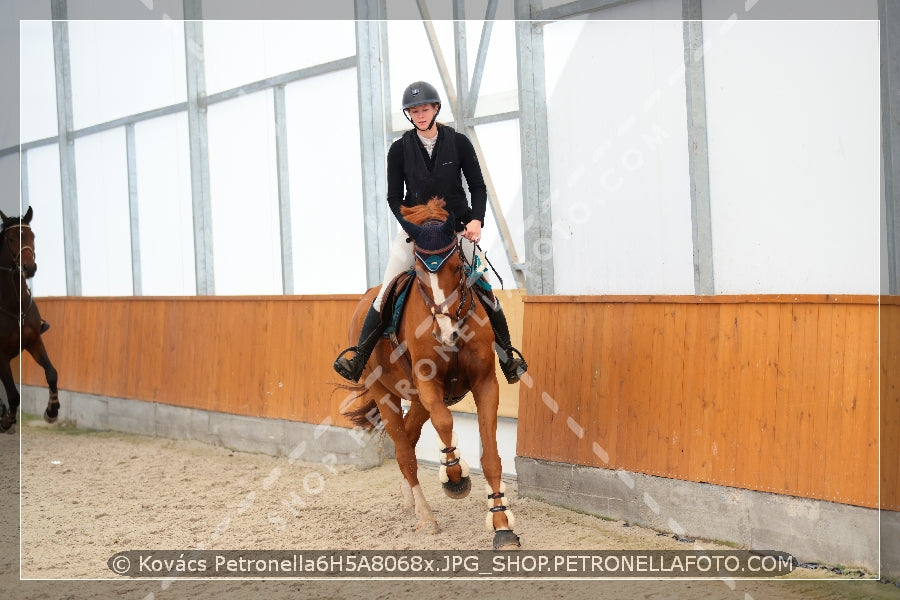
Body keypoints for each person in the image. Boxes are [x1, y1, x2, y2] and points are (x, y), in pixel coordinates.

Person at [334, 81, 527, 385]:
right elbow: (394, 199)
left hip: (459, 231)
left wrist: (477, 220)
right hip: (415, 232)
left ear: (435, 109)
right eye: (414, 110)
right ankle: (359, 358)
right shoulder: (398, 150)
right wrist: (412, 229)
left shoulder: (459, 142)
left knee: (487, 292)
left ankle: (508, 358)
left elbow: (477, 185)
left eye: (424, 108)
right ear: (408, 115)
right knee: (384, 293)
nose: (420, 114)